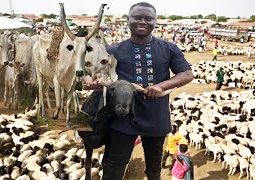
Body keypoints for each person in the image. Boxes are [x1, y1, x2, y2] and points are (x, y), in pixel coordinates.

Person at [82, 2, 193, 180]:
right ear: (128, 20)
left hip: (156, 117)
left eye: (148, 18)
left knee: (154, 170)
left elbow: (187, 73)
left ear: (155, 21)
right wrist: (91, 81)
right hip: (123, 118)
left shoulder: (168, 48)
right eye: (137, 17)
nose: (142, 21)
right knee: (114, 166)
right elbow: (92, 74)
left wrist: (160, 86)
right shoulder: (113, 51)